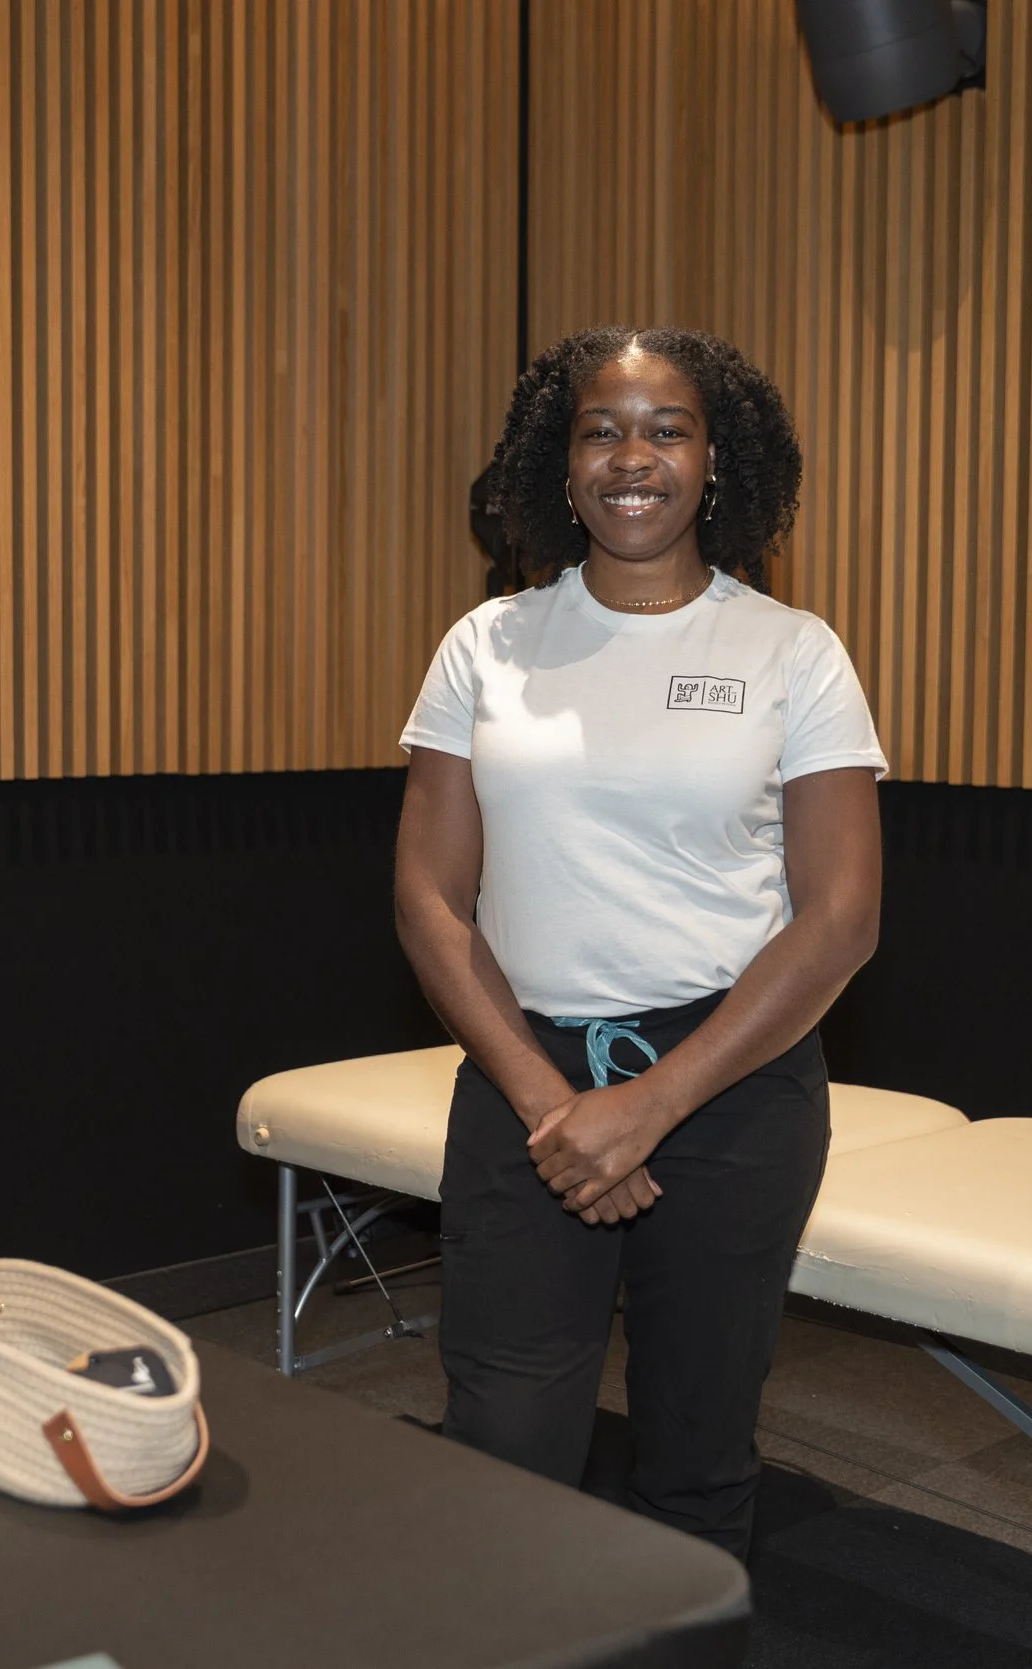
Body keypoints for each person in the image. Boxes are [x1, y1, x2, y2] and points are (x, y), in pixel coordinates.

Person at [394, 326, 886, 1559]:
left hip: (728, 1090)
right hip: (526, 1084)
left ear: (714, 462)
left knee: (696, 1456)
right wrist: (553, 1104)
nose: (633, 455)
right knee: (501, 1447)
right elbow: (429, 897)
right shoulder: (486, 645)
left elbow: (839, 921)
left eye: (667, 427)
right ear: (557, 470)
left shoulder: (791, 650)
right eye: (600, 429)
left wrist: (653, 1104)